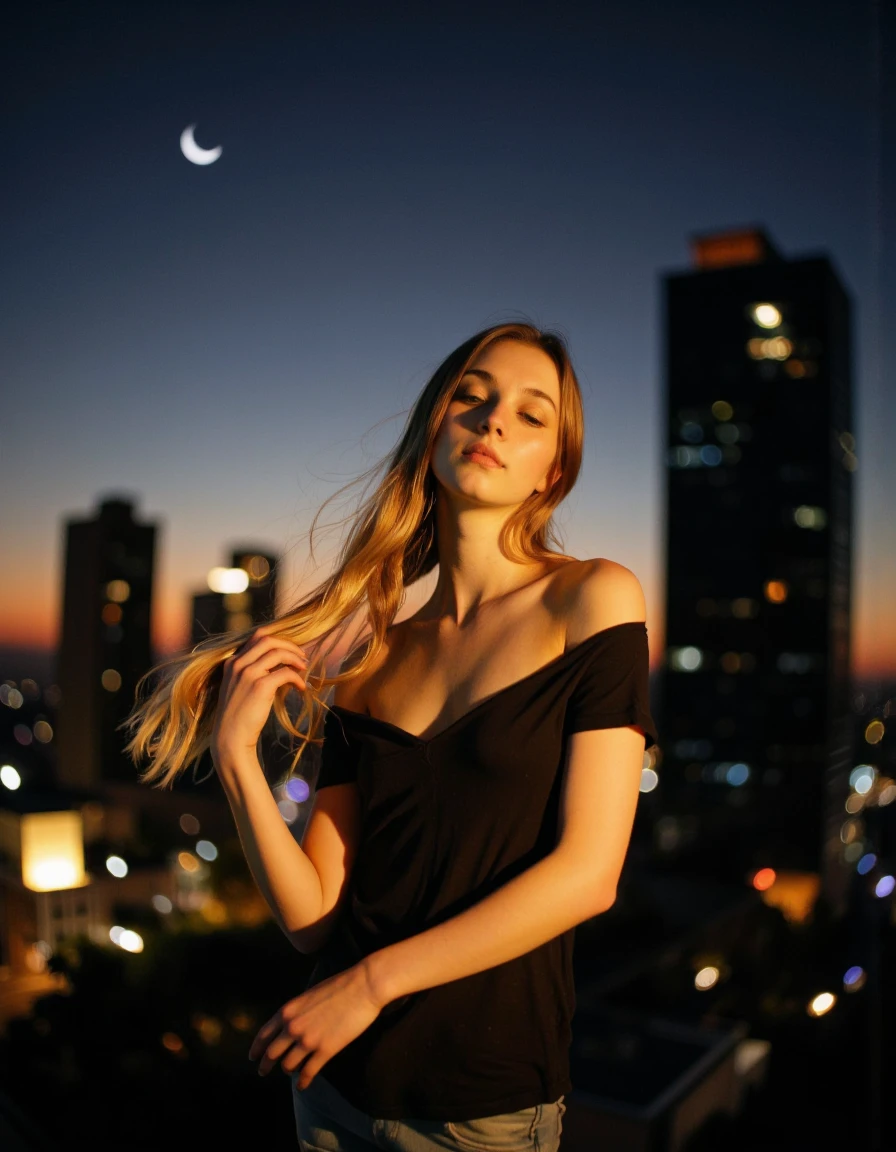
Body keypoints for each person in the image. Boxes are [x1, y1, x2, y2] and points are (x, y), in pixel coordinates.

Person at [124, 320, 658, 1151]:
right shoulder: (372, 657)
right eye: (471, 399)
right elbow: (313, 918)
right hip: (331, 1088)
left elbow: (589, 876)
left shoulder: (592, 601)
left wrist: (371, 986)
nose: (492, 424)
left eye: (529, 414)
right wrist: (235, 763)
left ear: (553, 471)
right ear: (434, 427)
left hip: (478, 1105)